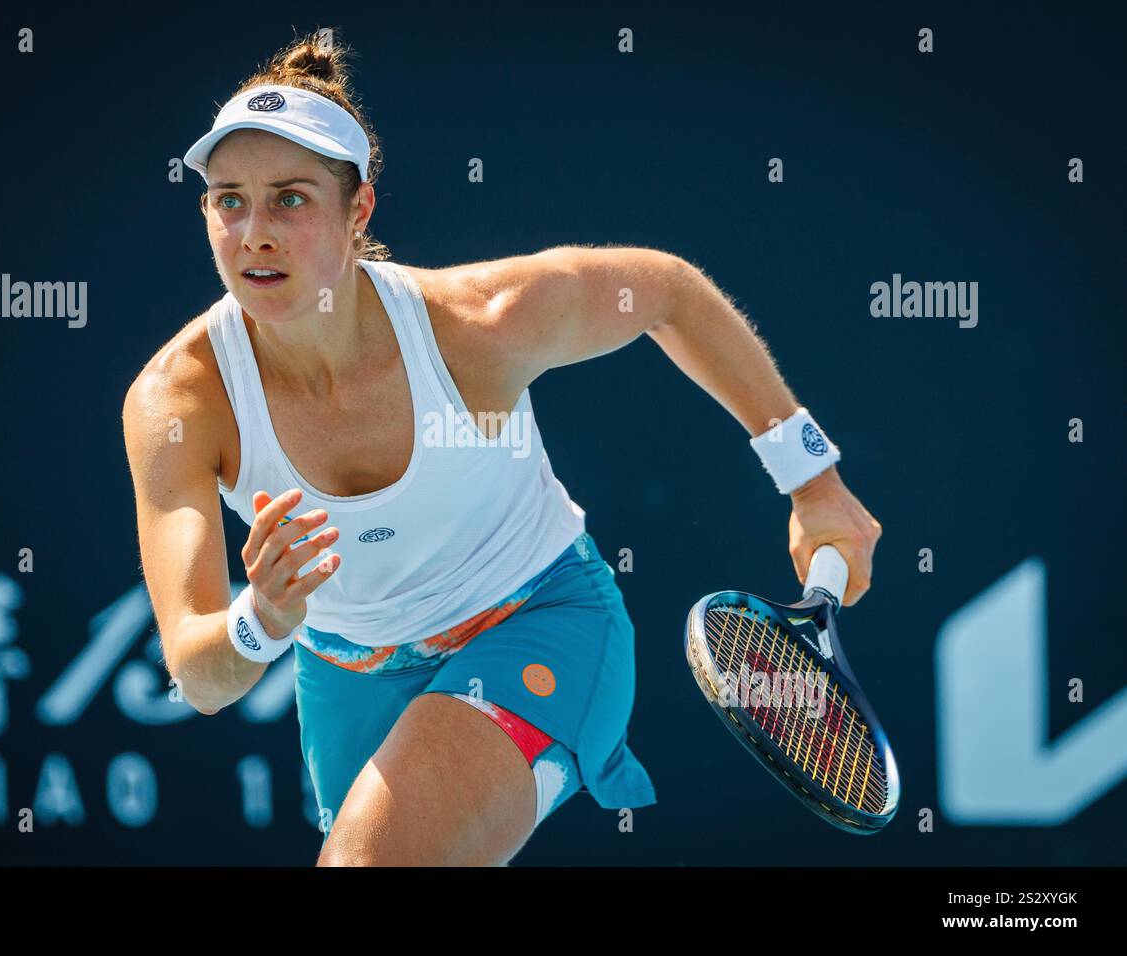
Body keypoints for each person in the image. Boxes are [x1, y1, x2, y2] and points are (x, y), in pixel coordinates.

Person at [121, 31, 882, 866]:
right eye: (228, 200)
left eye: (291, 199)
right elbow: (201, 677)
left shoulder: (476, 327)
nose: (254, 233)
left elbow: (667, 292)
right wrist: (261, 621)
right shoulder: (178, 401)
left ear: (359, 209)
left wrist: (812, 480)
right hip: (346, 675)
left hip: (539, 622)